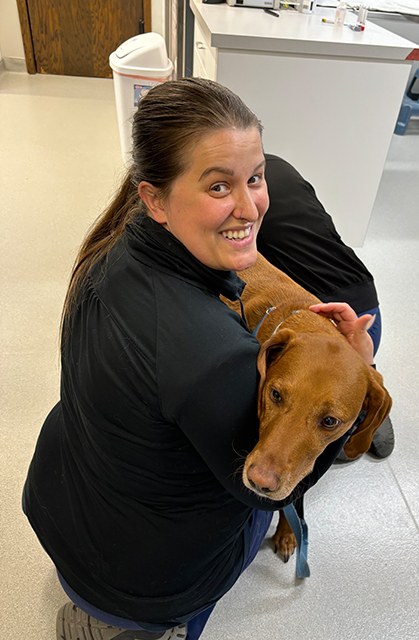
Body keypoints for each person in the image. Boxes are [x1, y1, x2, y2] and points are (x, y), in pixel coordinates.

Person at [23, 78, 379, 640]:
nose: (250, 206)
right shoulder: (217, 359)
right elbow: (264, 480)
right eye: (218, 186)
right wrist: (351, 383)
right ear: (155, 198)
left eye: (256, 178)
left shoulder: (108, 248)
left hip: (59, 498)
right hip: (143, 584)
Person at [258, 154, 395, 461]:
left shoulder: (240, 204)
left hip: (324, 316)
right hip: (367, 313)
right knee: (325, 401)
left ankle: (359, 408)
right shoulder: (281, 167)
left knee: (308, 425)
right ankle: (360, 396)